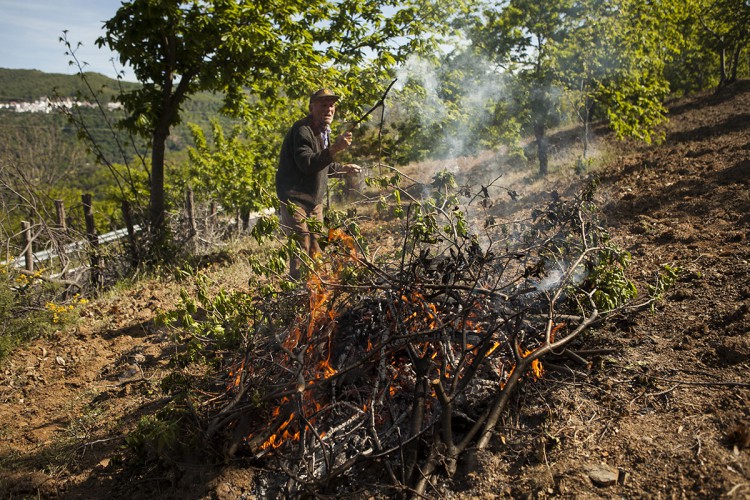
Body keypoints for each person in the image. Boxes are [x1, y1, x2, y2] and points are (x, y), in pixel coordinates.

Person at [276, 88, 360, 279]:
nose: (328, 109)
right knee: (301, 245)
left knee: (316, 248)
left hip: (314, 201)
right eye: (323, 104)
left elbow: (323, 167)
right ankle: (297, 293)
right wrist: (336, 148)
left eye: (332, 105)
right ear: (311, 107)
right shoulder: (302, 130)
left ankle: (316, 292)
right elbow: (308, 164)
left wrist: (343, 168)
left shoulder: (322, 132)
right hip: (295, 200)